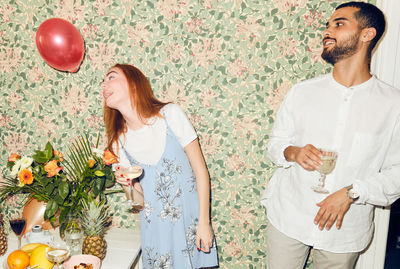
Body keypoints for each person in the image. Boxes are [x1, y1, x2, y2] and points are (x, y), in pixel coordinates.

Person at [261, 2, 400, 269]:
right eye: (327, 25)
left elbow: (397, 171)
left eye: (339, 24)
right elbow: (275, 144)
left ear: (367, 34)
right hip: (290, 214)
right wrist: (294, 153)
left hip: (345, 230)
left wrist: (352, 192)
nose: (327, 31)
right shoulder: (302, 92)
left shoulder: (392, 105)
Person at [101, 63, 218, 268]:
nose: (104, 84)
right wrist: (127, 185)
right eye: (103, 81)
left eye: (111, 77)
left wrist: (204, 223)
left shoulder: (170, 114)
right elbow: (140, 203)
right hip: (157, 236)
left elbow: (201, 171)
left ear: (134, 83)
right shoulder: (118, 143)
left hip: (191, 229)